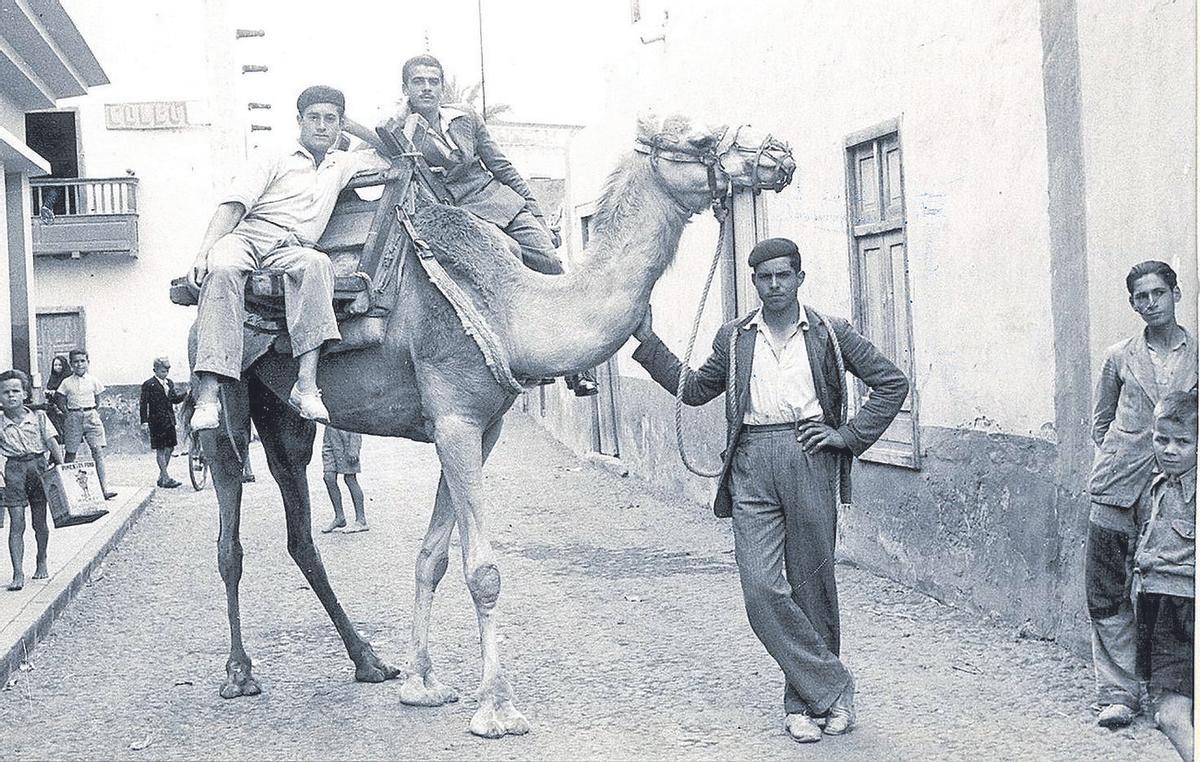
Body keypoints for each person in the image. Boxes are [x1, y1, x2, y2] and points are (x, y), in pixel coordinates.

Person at [630, 238, 908, 743]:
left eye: (784, 275)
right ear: (754, 282)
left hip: (810, 455)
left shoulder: (829, 333)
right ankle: (832, 687)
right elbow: (695, 390)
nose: (775, 285)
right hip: (751, 462)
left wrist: (846, 438)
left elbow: (891, 382)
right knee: (760, 587)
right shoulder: (735, 338)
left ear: (800, 278)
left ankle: (803, 706)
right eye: (765, 277)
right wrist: (648, 344)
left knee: (812, 585)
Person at [348, 54, 597, 397]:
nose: (427, 88)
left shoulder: (466, 119)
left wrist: (536, 215)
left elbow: (504, 168)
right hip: (461, 221)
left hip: (499, 202)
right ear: (405, 88)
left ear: (442, 86)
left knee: (550, 264)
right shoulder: (395, 129)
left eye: (433, 81)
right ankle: (519, 359)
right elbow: (360, 150)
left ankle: (577, 367)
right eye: (418, 81)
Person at [188, 85, 391, 432]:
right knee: (221, 269)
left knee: (317, 264)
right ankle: (208, 396)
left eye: (331, 120)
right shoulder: (273, 154)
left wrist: (351, 123)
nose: (322, 126)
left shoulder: (343, 163)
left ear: (339, 124)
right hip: (251, 235)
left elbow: (389, 149)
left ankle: (306, 386)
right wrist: (205, 249)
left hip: (293, 248)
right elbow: (235, 203)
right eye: (314, 118)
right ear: (299, 121)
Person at [1087, 260, 1197, 728]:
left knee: (1171, 587)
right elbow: (1100, 423)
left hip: (1178, 491)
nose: (1150, 303)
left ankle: (1172, 692)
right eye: (1140, 297)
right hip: (1118, 487)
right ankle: (1117, 692)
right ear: (1132, 304)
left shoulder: (1197, 356)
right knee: (1107, 588)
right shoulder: (1119, 357)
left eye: (1158, 293)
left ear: (1175, 293)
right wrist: (1126, 456)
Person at [1133, 390, 1195, 762]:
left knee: (1172, 717)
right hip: (1157, 604)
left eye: (1183, 442)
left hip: (1185, 608)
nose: (1170, 449)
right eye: (1162, 439)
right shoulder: (1157, 485)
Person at [0, 369, 64, 591]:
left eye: (16, 391)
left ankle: (41, 559)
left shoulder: (38, 417)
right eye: (5, 392)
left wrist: (62, 467)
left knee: (39, 521)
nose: (11, 396)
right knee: (17, 522)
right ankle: (18, 572)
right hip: (14, 471)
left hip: (38, 467)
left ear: (25, 394)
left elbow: (52, 442)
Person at [57, 349, 116, 500]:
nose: (79, 364)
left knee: (97, 451)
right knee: (71, 453)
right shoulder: (66, 382)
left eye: (82, 361)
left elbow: (97, 400)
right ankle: (68, 491)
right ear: (71, 364)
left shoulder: (93, 380)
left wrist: (92, 412)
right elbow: (60, 399)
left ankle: (104, 489)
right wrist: (68, 413)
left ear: (87, 363)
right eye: (76, 361)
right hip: (74, 416)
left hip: (91, 416)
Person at [139, 357, 187, 488]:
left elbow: (173, 399)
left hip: (169, 420)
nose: (165, 373)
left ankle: (162, 477)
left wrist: (185, 394)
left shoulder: (169, 383)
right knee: (160, 449)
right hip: (156, 422)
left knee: (170, 447)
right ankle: (166, 477)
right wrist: (144, 421)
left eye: (166, 371)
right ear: (155, 370)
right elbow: (143, 404)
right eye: (162, 371)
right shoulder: (149, 384)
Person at [320, 425, 367, 534]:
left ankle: (361, 520)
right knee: (328, 477)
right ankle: (339, 517)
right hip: (330, 437)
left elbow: (355, 422)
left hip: (347, 438)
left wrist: (353, 448)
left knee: (350, 478)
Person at [42, 353, 70, 440]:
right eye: (55, 365)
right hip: (53, 409)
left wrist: (57, 393)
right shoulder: (53, 377)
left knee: (66, 433)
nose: (57, 367)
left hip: (65, 408)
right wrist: (47, 393)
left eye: (60, 365)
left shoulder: (68, 377)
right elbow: (49, 390)